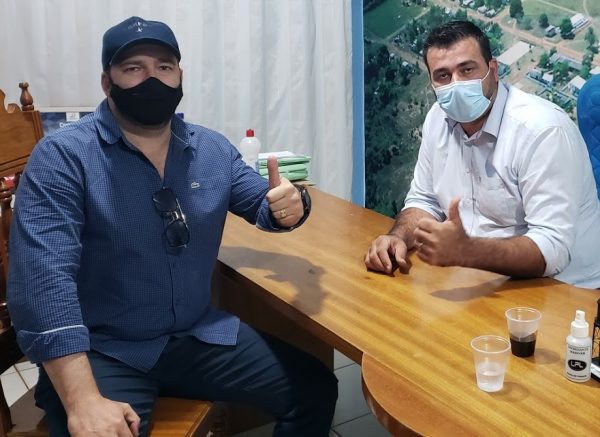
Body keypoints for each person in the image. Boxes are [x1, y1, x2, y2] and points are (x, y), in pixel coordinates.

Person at [8, 16, 336, 437]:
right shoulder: (63, 157)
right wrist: (82, 400)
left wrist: (294, 204)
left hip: (194, 335)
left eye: (164, 67)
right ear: (107, 83)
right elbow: (42, 282)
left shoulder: (211, 149)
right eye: (134, 68)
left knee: (314, 389)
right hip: (102, 349)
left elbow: (265, 202)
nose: (152, 79)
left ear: (180, 77)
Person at [364, 20, 600, 289]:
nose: (456, 84)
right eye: (443, 76)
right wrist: (398, 237)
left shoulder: (542, 131)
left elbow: (552, 249)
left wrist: (467, 251)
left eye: (467, 70)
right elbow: (424, 200)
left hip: (563, 287)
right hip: (479, 276)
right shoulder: (437, 118)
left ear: (493, 70)